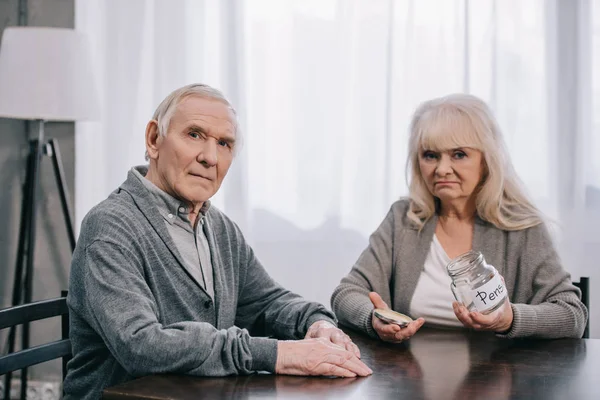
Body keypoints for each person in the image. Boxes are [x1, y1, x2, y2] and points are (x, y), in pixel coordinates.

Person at [63, 83, 371, 399]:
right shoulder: (110, 227)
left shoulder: (219, 227)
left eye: (224, 143)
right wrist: (279, 354)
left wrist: (319, 324)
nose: (210, 157)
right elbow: (143, 346)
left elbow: (268, 303)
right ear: (154, 139)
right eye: (194, 134)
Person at [331, 93, 588, 343]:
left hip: (500, 379)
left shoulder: (522, 226)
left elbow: (572, 314)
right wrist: (373, 318)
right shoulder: (403, 219)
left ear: (486, 161)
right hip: (412, 379)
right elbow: (346, 293)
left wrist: (510, 319)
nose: (442, 169)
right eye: (430, 155)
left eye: (459, 154)